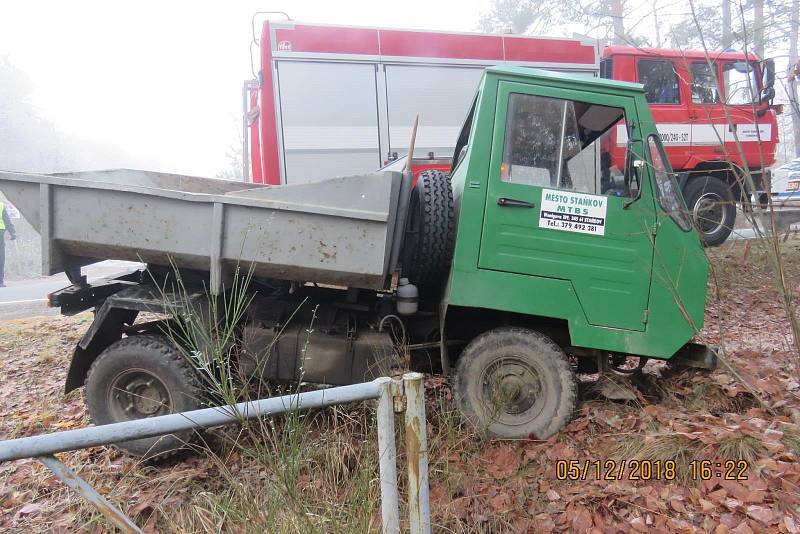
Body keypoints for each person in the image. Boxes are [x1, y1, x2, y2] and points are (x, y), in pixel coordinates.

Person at [0, 201, 16, 288]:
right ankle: (0, 281)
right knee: (0, 257)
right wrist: (12, 232)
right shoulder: (1, 205)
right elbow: (7, 220)